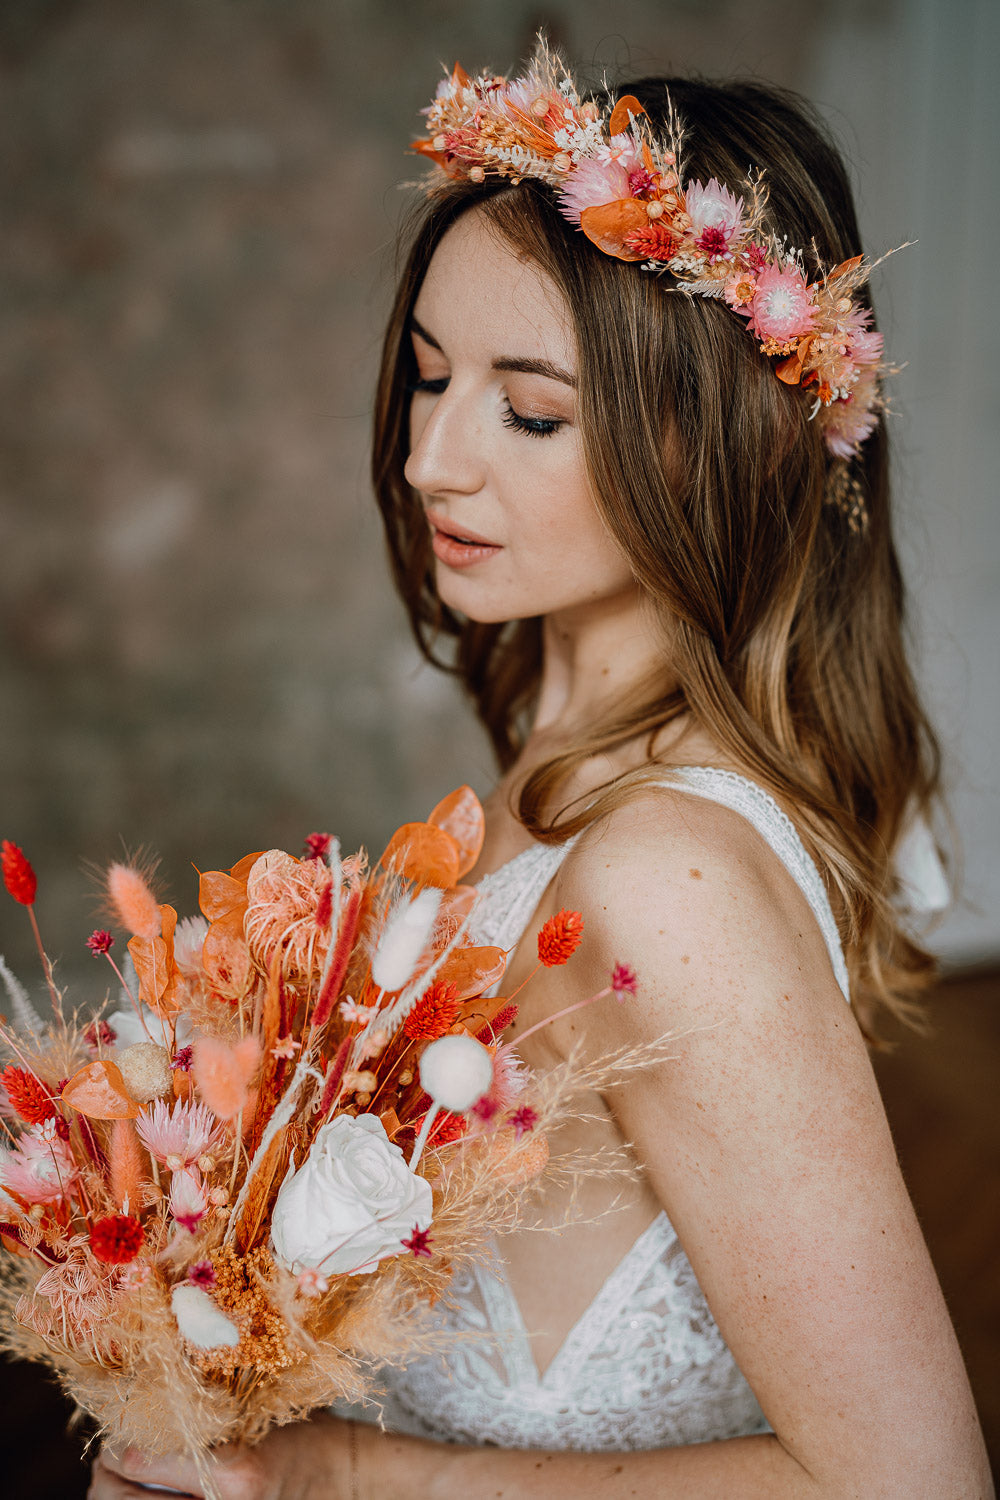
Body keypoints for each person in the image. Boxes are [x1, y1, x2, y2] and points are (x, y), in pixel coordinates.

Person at [90, 45, 991, 1500]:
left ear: (714, 444)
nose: (432, 458)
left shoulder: (666, 882)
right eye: (431, 378)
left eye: (530, 410)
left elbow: (913, 1487)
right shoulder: (548, 781)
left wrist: (351, 1475)